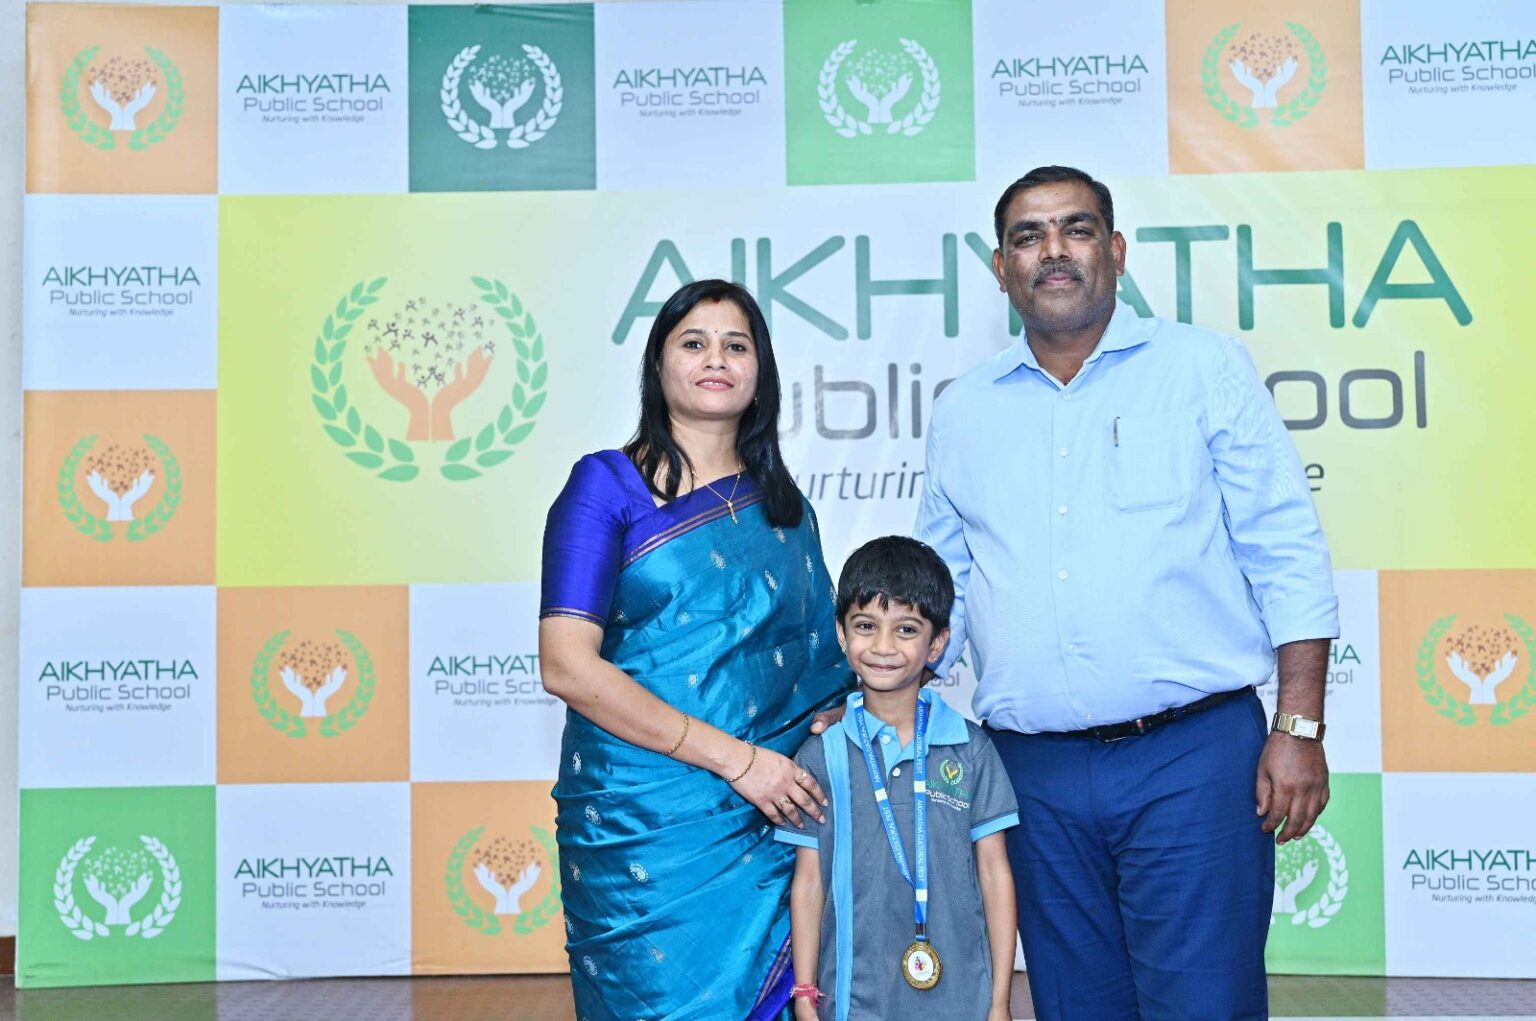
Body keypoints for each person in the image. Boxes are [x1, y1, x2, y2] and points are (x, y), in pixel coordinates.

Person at [915, 166, 1339, 1021]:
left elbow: (1285, 546)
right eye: (1028, 236)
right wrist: (867, 695)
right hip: (1032, 773)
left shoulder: (1202, 366)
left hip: (1191, 759)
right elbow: (939, 588)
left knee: (1205, 1005)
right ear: (1001, 268)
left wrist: (1299, 725)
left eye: (1076, 229)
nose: (1054, 250)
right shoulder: (965, 410)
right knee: (1076, 1006)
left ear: (1114, 250)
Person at [539, 279, 851, 1020]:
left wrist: (835, 719)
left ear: (760, 373)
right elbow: (566, 664)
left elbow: (822, 665)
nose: (716, 359)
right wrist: (736, 760)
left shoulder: (785, 509)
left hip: (771, 815)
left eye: (736, 345)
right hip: (644, 822)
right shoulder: (604, 488)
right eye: (694, 343)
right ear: (658, 366)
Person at [776, 536, 1018, 1021]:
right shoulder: (822, 753)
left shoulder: (970, 749)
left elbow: (995, 875)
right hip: (854, 1001)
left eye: (906, 629)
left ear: (938, 642)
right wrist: (804, 994)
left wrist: (998, 1003)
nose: (883, 647)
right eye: (866, 626)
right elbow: (808, 882)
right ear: (842, 634)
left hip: (964, 1002)